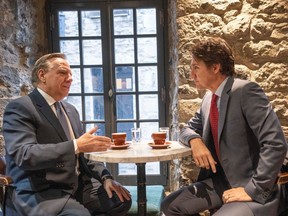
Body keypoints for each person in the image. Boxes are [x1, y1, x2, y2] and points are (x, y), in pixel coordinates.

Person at [161, 37, 288, 216]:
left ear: (215, 67)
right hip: (221, 182)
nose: (191, 75)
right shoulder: (208, 99)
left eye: (196, 67)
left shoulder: (246, 91)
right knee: (170, 205)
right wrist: (195, 140)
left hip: (254, 186)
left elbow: (276, 143)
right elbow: (186, 129)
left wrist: (252, 189)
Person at [2, 53, 132, 216]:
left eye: (71, 74)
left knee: (122, 199)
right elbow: (24, 155)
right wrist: (76, 145)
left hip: (79, 186)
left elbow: (86, 155)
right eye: (63, 73)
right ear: (42, 75)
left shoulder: (70, 110)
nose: (70, 78)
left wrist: (106, 178)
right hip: (44, 192)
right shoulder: (21, 108)